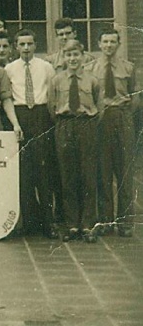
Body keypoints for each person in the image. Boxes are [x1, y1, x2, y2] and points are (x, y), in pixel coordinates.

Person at [5, 29, 59, 239]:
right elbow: (8, 98)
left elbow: (52, 95)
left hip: (41, 115)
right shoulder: (9, 69)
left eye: (29, 44)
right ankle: (29, 222)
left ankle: (48, 222)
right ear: (16, 47)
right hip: (21, 116)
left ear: (35, 45)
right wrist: (16, 123)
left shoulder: (46, 67)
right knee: (23, 172)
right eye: (22, 44)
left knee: (43, 171)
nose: (26, 48)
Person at [86, 28, 138, 237]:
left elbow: (135, 98)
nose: (108, 45)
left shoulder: (128, 67)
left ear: (118, 44)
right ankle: (106, 220)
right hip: (101, 119)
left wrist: (124, 116)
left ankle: (125, 223)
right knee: (103, 171)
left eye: (112, 42)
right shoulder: (91, 68)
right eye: (105, 41)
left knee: (124, 170)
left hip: (122, 117)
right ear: (99, 44)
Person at [49, 40, 100, 242]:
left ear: (82, 56)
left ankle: (87, 224)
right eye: (68, 55)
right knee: (68, 175)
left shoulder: (92, 80)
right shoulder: (57, 80)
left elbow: (100, 106)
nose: (72, 59)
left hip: (86, 125)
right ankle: (71, 224)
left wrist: (86, 123)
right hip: (65, 125)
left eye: (76, 54)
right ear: (64, 57)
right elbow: (51, 107)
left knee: (88, 175)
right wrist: (64, 124)